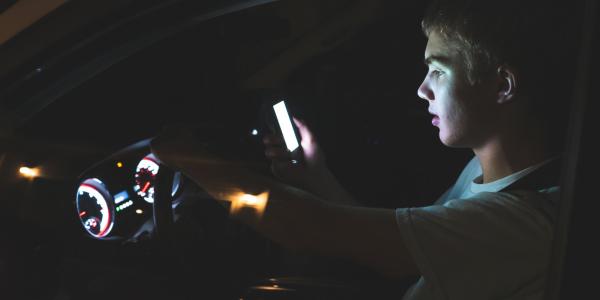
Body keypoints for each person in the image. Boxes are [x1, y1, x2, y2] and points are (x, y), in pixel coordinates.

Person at [151, 0, 579, 298]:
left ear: (502, 86)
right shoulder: (483, 175)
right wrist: (314, 176)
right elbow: (400, 251)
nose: (422, 89)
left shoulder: (525, 222)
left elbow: (312, 227)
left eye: (438, 71)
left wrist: (194, 163)